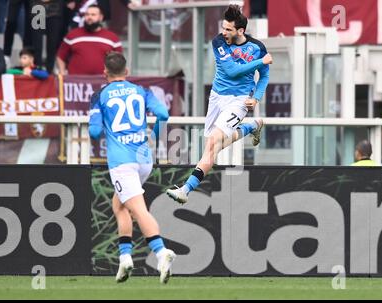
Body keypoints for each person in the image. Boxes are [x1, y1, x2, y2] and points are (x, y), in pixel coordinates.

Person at [166, 4, 272, 204]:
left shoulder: (257, 47)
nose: (224, 32)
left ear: (241, 31)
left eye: (228, 29)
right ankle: (251, 126)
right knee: (213, 146)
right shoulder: (219, 42)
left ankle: (185, 190)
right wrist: (261, 62)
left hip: (239, 100)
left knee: (213, 142)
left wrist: (256, 97)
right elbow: (232, 71)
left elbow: (264, 76)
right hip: (216, 98)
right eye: (223, 27)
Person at [88, 52, 175, 284]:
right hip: (144, 157)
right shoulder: (141, 90)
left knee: (137, 209)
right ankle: (125, 257)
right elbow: (163, 114)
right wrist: (153, 137)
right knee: (119, 205)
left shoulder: (99, 96)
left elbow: (95, 132)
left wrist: (102, 128)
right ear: (127, 72)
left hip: (121, 161)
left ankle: (161, 251)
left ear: (104, 73)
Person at [56, 4, 123, 75]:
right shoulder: (72, 35)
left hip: (103, 82)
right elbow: (61, 56)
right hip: (76, 82)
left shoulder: (112, 38)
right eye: (87, 14)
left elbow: (120, 61)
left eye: (93, 15)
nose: (89, 17)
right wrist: (62, 72)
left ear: (101, 17)